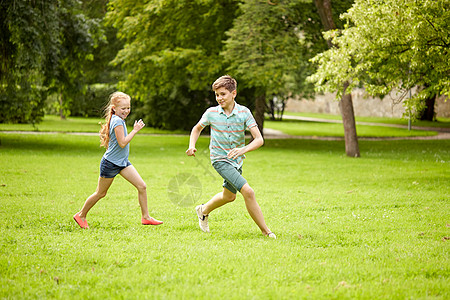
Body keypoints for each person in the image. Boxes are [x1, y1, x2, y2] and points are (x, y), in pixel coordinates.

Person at [186, 75, 276, 238]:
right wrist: (192, 145)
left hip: (237, 161)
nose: (219, 98)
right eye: (217, 95)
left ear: (233, 93)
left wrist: (242, 150)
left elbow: (259, 139)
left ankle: (203, 210)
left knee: (229, 196)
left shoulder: (244, 112)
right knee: (248, 191)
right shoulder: (211, 113)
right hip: (219, 160)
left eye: (223, 94)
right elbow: (196, 129)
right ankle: (266, 231)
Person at [73, 91, 163, 229]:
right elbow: (122, 142)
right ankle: (81, 215)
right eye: (123, 108)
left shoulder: (119, 119)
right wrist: (135, 130)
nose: (126, 111)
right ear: (114, 108)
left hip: (122, 162)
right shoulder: (117, 121)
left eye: (128, 108)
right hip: (110, 164)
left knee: (142, 186)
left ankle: (146, 217)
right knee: (100, 193)